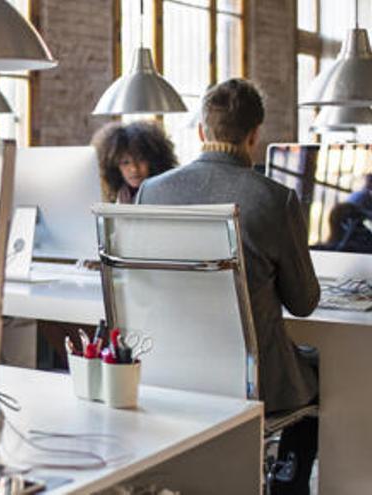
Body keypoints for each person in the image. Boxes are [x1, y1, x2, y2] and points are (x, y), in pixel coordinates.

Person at [135, 78, 319, 495]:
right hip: (251, 382)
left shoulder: (151, 191)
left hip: (168, 374)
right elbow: (304, 302)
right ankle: (289, 484)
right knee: (324, 367)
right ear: (255, 135)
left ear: (202, 131)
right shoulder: (275, 199)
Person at [91, 120, 177, 204]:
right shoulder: (115, 198)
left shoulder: (169, 194)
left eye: (141, 159)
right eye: (125, 162)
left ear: (153, 160)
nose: (134, 169)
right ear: (114, 166)